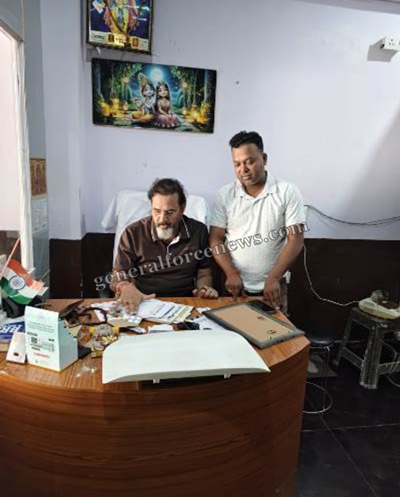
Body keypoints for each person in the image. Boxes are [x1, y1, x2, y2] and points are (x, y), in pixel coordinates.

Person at [209, 131, 306, 310]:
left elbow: (296, 240)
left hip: (273, 287)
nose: (243, 169)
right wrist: (231, 272)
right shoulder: (224, 195)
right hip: (235, 285)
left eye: (249, 162)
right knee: (231, 327)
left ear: (264, 158)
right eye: (237, 164)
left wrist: (274, 277)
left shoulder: (287, 191)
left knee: (275, 328)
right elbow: (216, 238)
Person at [112, 178, 218, 312]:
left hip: (185, 302)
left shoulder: (198, 231)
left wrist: (203, 290)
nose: (162, 219)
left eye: (170, 212)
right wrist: (124, 287)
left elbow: (204, 274)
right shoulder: (133, 233)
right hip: (143, 302)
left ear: (182, 208)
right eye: (157, 211)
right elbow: (117, 276)